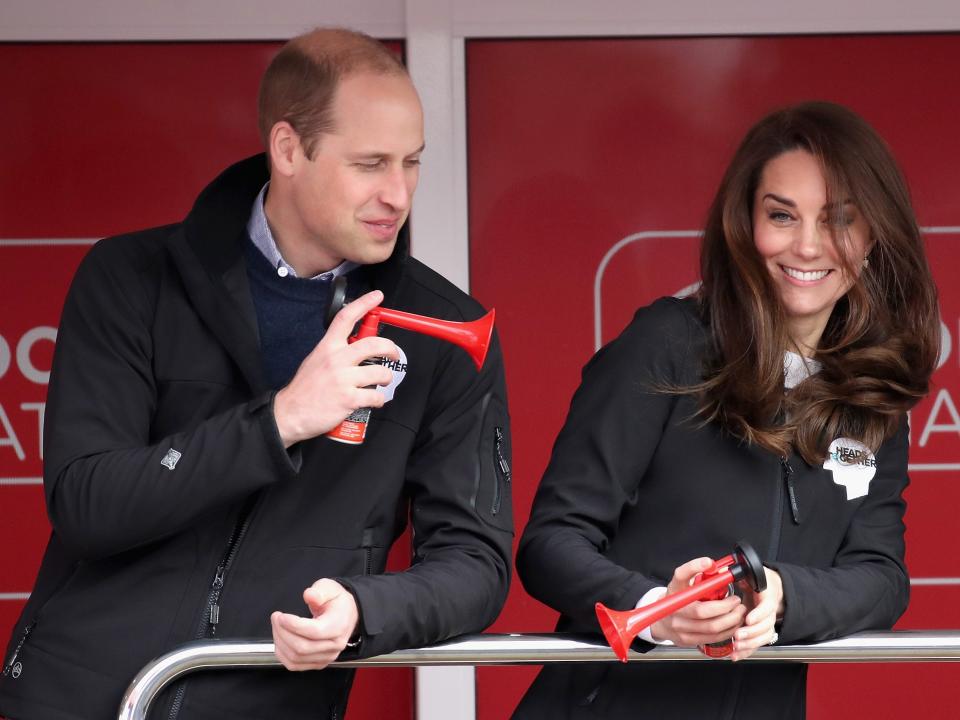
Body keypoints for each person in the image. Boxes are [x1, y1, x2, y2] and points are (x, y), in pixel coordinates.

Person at [0, 28, 513, 720]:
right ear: (288, 149)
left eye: (411, 163)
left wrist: (367, 609)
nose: (399, 193)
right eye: (370, 163)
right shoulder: (129, 279)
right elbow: (87, 503)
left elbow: (476, 563)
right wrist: (281, 421)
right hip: (79, 700)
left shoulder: (446, 331)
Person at [513, 101, 939, 719]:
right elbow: (551, 542)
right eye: (782, 216)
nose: (809, 245)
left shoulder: (873, 391)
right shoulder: (666, 344)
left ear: (875, 234)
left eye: (840, 220)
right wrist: (658, 609)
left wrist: (784, 595)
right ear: (745, 224)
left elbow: (881, 576)